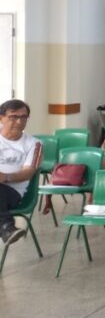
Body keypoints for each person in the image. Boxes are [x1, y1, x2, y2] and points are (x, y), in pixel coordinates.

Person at [0, 99, 41, 245]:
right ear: (1, 118)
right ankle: (7, 228)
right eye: (13, 117)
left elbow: (29, 172)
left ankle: (6, 227)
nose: (19, 122)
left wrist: (5, 177)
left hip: (13, 191)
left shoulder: (34, 144)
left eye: (23, 117)